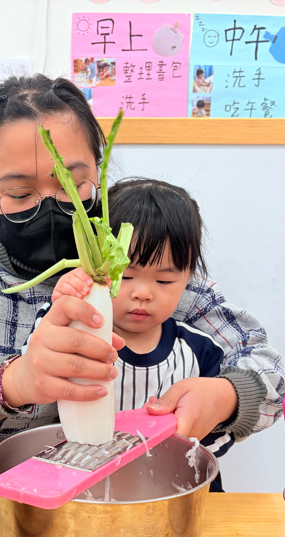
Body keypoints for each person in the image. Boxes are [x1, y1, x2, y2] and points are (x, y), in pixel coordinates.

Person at [0, 75, 285, 490]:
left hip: (116, 490)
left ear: (98, 176)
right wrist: (14, 380)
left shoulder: (131, 258)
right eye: (19, 194)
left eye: (74, 184)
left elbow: (269, 370)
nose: (50, 206)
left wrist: (228, 395)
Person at [37, 180, 235, 487]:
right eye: (126, 275)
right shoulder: (74, 332)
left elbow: (213, 440)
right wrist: (69, 307)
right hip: (87, 490)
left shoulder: (200, 351)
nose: (143, 293)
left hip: (175, 490)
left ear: (189, 279)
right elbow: (35, 372)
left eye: (164, 281)